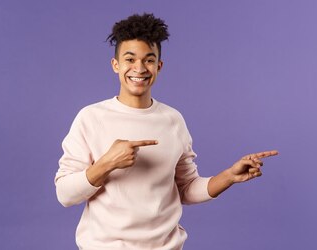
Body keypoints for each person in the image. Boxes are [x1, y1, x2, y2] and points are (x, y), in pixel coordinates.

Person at [55, 13, 278, 250]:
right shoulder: (91, 118)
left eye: (148, 60)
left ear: (159, 66)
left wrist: (229, 176)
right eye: (130, 59)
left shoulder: (173, 120)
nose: (139, 68)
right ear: (115, 65)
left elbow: (186, 188)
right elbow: (65, 195)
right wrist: (107, 163)